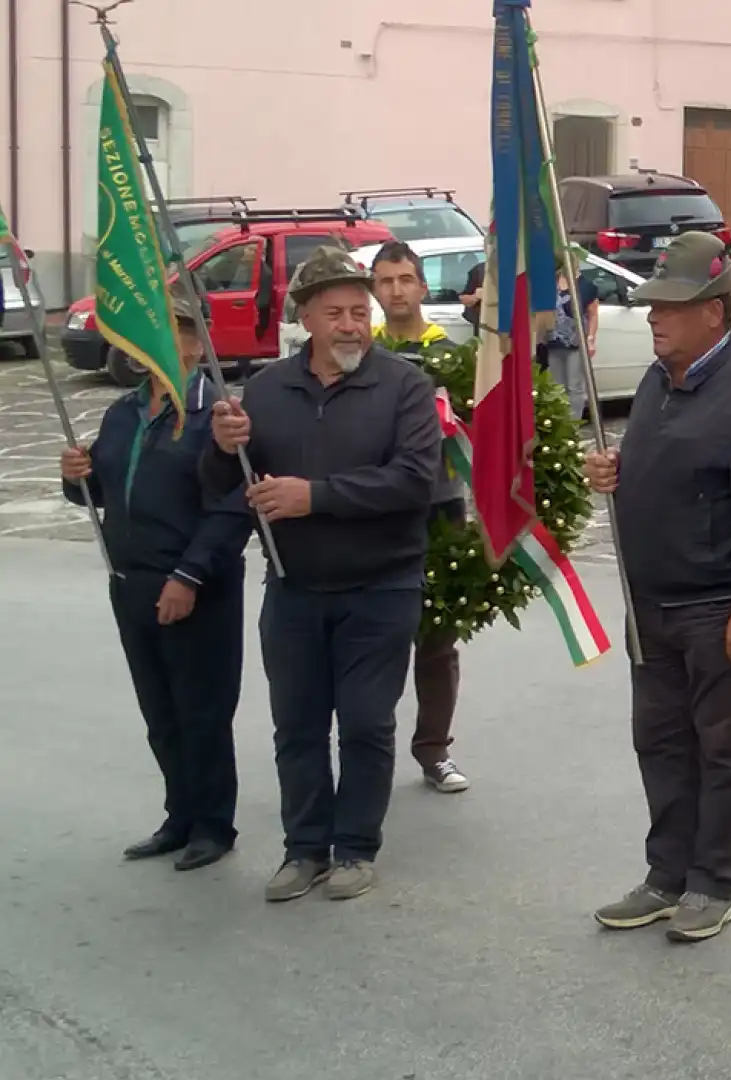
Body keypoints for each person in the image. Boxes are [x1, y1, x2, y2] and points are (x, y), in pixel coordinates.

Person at [584, 231, 731, 944]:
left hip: (718, 610)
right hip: (650, 606)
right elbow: (671, 473)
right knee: (660, 744)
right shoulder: (659, 380)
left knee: (721, 752)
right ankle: (665, 876)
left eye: (672, 307)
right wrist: (615, 476)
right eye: (651, 305)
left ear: (715, 310)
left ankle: (712, 883)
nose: (654, 318)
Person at [202, 247, 443, 904]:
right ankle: (303, 849)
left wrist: (317, 496)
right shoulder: (268, 390)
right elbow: (226, 487)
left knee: (366, 722)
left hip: (381, 587)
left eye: (358, 312)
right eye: (334, 313)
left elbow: (416, 481)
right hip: (294, 588)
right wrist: (224, 451)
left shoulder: (404, 386)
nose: (351, 325)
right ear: (305, 317)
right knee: (298, 725)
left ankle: (356, 848)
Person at [60, 289, 250, 872]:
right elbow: (101, 491)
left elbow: (232, 508)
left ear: (197, 344)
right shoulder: (125, 411)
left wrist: (188, 575)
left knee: (201, 709)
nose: (159, 345)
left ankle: (214, 825)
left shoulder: (217, 415)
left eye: (173, 332)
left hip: (195, 585)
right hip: (132, 582)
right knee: (160, 712)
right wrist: (75, 477)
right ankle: (181, 816)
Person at [368, 240, 469, 795]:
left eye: (405, 279)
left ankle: (434, 750)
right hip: (379, 510)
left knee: (437, 640)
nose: (396, 291)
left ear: (423, 286)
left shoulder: (452, 351)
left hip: (440, 508)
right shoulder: (363, 350)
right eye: (385, 281)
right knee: (379, 636)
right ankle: (370, 752)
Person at [541, 267, 599, 419]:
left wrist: (590, 339)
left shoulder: (586, 286)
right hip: (552, 343)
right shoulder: (550, 283)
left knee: (574, 386)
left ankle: (573, 425)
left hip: (575, 343)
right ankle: (560, 423)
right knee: (556, 386)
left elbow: (593, 315)